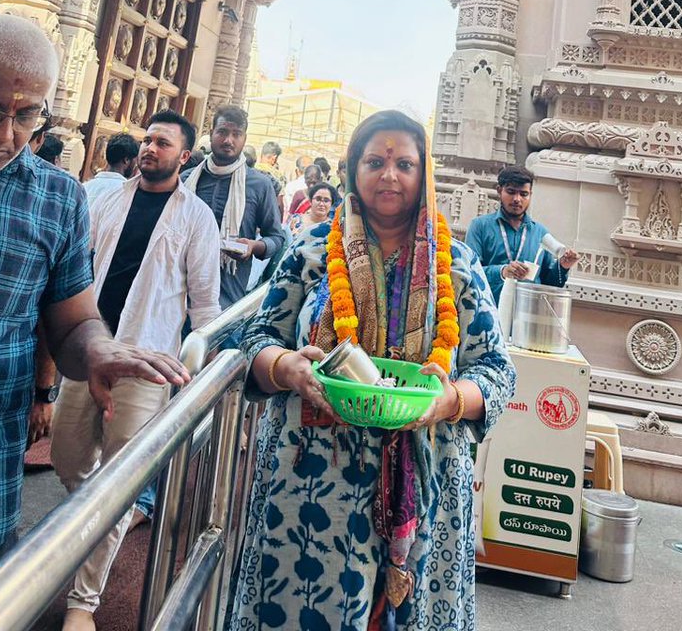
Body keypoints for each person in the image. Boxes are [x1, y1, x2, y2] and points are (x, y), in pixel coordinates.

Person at [0, 14, 190, 631]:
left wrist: (99, 353)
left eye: (27, 116)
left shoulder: (57, 199)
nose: (6, 134)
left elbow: (72, 323)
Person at [227, 110, 514, 631]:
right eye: (375, 161)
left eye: (405, 163)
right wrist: (285, 366)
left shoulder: (460, 263)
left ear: (422, 174)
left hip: (427, 482)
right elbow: (254, 337)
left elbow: (497, 369)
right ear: (351, 170)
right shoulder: (311, 251)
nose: (390, 175)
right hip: (311, 486)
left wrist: (451, 401)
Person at [51, 110, 220, 630]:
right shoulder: (105, 199)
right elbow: (77, 269)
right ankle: (96, 521)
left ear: (184, 156)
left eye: (163, 143)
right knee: (66, 453)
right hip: (92, 350)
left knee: (121, 482)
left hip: (148, 365)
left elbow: (206, 305)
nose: (150, 149)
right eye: (147, 140)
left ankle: (84, 602)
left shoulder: (197, 218)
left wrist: (205, 379)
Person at [184, 105, 285, 310]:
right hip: (179, 290)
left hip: (226, 296)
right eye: (222, 132)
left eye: (236, 134)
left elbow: (277, 237)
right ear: (211, 133)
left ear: (244, 139)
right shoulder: (186, 180)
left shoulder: (259, 184)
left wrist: (253, 246)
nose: (228, 140)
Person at [466, 165, 579, 306]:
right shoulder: (480, 226)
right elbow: (469, 272)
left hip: (527, 315)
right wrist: (502, 271)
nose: (517, 199)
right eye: (511, 192)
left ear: (530, 194)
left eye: (523, 194)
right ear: (499, 190)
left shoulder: (540, 233)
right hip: (489, 312)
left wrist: (563, 266)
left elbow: (551, 284)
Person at [83, 132, 139, 204]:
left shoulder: (85, 187)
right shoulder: (126, 193)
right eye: (135, 160)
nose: (136, 165)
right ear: (126, 160)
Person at [255, 139, 285, 214]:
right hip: (267, 214)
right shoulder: (277, 176)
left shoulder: (251, 169)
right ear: (274, 158)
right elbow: (279, 202)